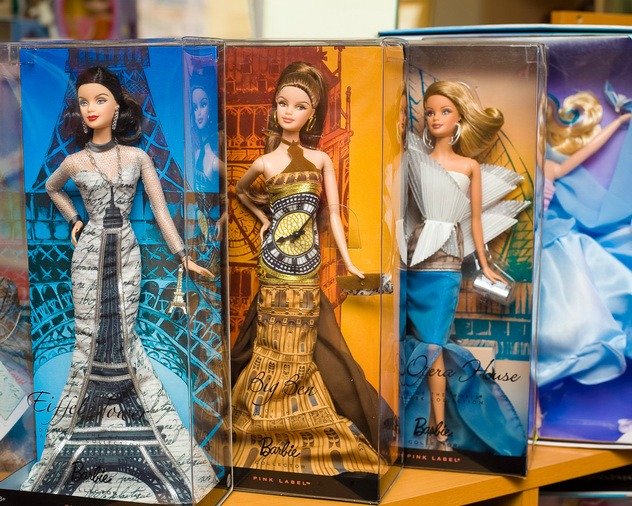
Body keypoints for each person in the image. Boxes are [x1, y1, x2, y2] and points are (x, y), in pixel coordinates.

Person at [21, 66, 217, 503]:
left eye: (100, 100)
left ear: (117, 105)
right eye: (83, 102)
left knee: (124, 337)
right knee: (88, 339)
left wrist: (182, 255)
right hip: (88, 255)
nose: (90, 109)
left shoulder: (137, 157)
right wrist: (74, 219)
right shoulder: (73, 161)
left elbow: (161, 212)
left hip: (127, 253)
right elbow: (52, 187)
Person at [230, 61, 386, 475]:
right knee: (269, 339)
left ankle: (300, 417)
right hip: (274, 262)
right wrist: (263, 220)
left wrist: (348, 261)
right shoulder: (265, 162)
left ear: (311, 115)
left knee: (301, 340)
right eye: (283, 103)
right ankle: (263, 418)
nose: (288, 112)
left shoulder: (320, 159)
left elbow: (333, 214)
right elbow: (240, 191)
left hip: (307, 263)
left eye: (298, 106)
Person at [400, 80, 526, 455]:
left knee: (434, 344)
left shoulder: (469, 166)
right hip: (414, 260)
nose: (435, 118)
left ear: (460, 119)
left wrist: (485, 265)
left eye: (445, 111)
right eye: (430, 112)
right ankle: (420, 427)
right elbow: (404, 212)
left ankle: (439, 430)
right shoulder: (413, 159)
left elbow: (475, 222)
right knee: (420, 345)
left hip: (446, 265)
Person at [537, 90, 632, 388]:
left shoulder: (550, 167)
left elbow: (588, 149)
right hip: (524, 245)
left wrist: (618, 123)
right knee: (549, 316)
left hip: (551, 240)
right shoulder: (510, 163)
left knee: (583, 300)